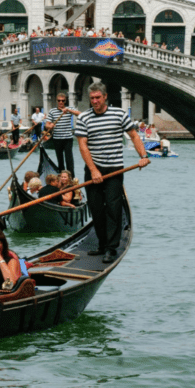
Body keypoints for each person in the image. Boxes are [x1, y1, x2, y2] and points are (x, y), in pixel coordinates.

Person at [76, 81, 150, 264]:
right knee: (96, 209)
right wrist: (93, 171)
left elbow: (133, 135)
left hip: (115, 169)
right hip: (93, 169)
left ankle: (110, 248)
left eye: (97, 98)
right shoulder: (83, 118)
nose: (94, 101)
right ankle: (102, 244)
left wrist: (143, 155)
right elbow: (83, 146)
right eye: (92, 98)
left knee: (113, 209)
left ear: (105, 96)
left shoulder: (119, 114)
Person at [45, 93, 81, 177]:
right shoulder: (52, 111)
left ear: (65, 101)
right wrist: (50, 126)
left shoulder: (69, 109)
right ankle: (62, 179)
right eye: (59, 101)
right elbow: (47, 124)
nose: (61, 102)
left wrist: (68, 110)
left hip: (68, 139)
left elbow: (80, 114)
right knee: (60, 160)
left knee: (69, 160)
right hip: (57, 139)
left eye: (63, 101)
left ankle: (72, 179)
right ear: (56, 101)